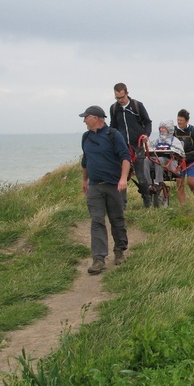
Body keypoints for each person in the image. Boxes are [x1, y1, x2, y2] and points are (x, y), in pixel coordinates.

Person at [80, 105, 131, 275]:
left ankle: (119, 251)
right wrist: (84, 180)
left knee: (117, 219)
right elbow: (86, 161)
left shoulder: (113, 135)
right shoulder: (85, 137)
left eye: (86, 117)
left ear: (96, 118)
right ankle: (99, 259)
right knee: (97, 220)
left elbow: (125, 157)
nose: (84, 120)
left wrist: (123, 178)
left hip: (114, 185)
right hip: (95, 186)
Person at [109, 83, 153, 208]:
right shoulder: (113, 108)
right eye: (117, 98)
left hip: (137, 146)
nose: (120, 100)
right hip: (122, 148)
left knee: (141, 176)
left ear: (127, 93)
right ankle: (123, 205)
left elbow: (148, 122)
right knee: (122, 176)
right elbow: (113, 127)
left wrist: (146, 135)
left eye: (121, 97)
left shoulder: (137, 105)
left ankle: (147, 200)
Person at [148, 120, 185, 187]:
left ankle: (158, 182)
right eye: (160, 128)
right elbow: (150, 147)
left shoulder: (174, 140)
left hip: (169, 161)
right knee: (146, 160)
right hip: (157, 159)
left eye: (163, 128)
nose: (161, 130)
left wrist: (170, 150)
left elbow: (181, 152)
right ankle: (147, 182)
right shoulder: (157, 140)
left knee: (160, 159)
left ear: (169, 129)